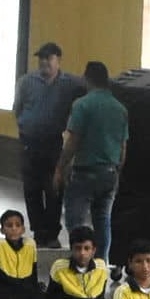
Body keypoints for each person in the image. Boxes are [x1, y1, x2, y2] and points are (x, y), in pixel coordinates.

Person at [55, 60, 129, 259]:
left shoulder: (82, 105)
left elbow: (73, 141)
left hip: (84, 173)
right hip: (110, 173)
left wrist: (60, 168)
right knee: (103, 220)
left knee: (76, 222)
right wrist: (117, 172)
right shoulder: (120, 109)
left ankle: (80, 262)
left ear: (87, 79)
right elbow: (123, 148)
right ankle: (101, 264)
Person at [10, 42, 77, 237]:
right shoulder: (26, 82)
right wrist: (27, 126)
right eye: (41, 58)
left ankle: (52, 231)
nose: (44, 62)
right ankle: (38, 231)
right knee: (32, 188)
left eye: (48, 58)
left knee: (54, 188)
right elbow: (18, 108)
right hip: (29, 143)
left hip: (53, 143)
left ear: (58, 60)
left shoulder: (70, 84)